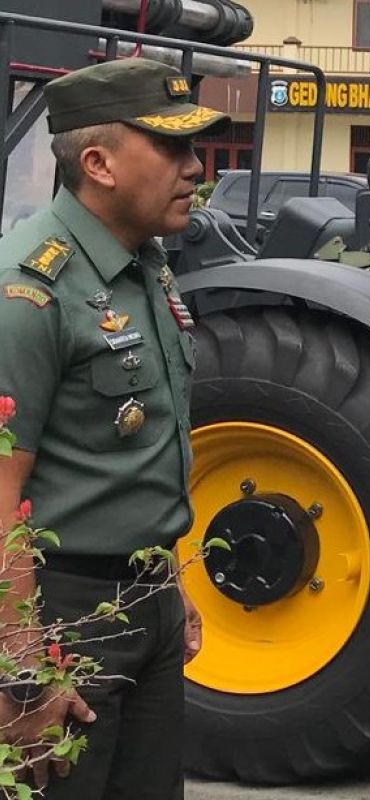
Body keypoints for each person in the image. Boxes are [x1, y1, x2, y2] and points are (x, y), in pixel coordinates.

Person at [0, 58, 228, 798]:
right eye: (172, 149)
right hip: (63, 610)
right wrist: (25, 672)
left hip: (143, 597)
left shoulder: (144, 263)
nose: (196, 168)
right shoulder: (29, 289)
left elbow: (132, 452)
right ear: (97, 163)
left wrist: (163, 573)